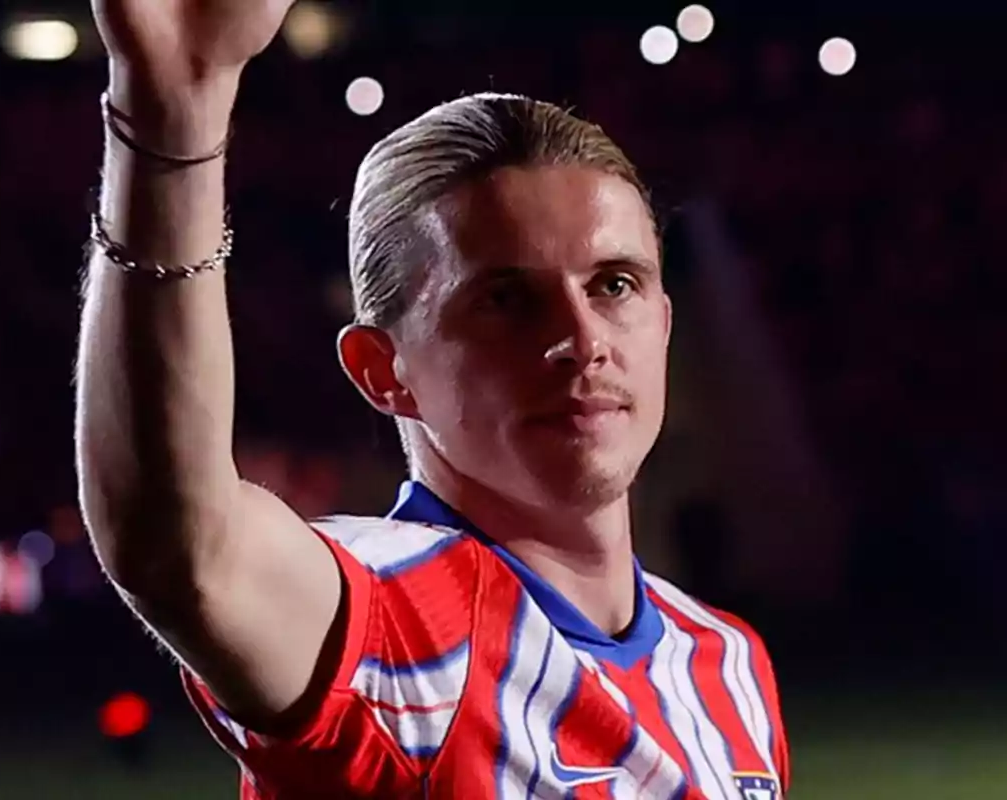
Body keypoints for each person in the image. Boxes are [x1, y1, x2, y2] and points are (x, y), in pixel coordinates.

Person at [75, 1, 790, 797]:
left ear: (662, 322)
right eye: (508, 300)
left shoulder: (728, 663)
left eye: (613, 284)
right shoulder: (392, 615)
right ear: (383, 370)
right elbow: (181, 550)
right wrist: (176, 113)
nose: (582, 339)